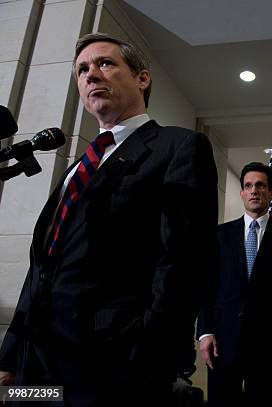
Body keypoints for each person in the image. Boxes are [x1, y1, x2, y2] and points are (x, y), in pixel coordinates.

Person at [0, 32, 218, 405]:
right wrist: (10, 355)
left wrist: (147, 354)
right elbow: (43, 267)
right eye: (82, 70)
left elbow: (183, 261)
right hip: (36, 365)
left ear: (142, 78)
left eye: (105, 63)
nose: (91, 75)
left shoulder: (177, 146)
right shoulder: (77, 168)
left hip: (110, 367)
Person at [197, 161, 272, 406]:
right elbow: (207, 286)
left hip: (268, 344)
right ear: (242, 193)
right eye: (248, 186)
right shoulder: (219, 235)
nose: (254, 191)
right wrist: (204, 331)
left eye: (260, 185)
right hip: (223, 342)